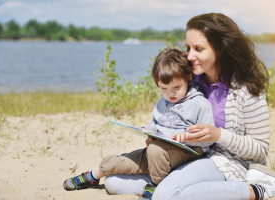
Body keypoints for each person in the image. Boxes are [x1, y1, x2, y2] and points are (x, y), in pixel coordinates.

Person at [104, 13, 275, 200]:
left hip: (229, 162)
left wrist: (218, 135)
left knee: (164, 195)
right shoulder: (190, 80)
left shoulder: (247, 88)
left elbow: (260, 149)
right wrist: (159, 138)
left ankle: (257, 190)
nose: (189, 56)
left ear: (220, 50)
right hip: (190, 155)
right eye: (188, 47)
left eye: (198, 49)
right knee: (114, 182)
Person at [62, 48, 216, 199]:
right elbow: (155, 125)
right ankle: (93, 176)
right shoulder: (162, 103)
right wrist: (145, 129)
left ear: (188, 78)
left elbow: (209, 140)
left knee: (155, 150)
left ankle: (154, 185)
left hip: (186, 153)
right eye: (164, 88)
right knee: (123, 159)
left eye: (177, 87)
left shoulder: (199, 103)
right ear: (157, 84)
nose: (171, 93)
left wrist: (188, 137)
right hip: (157, 152)